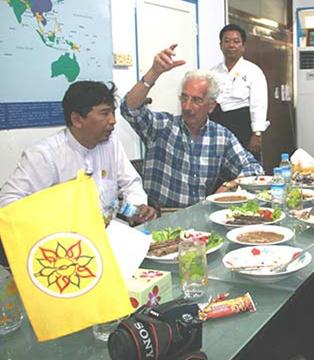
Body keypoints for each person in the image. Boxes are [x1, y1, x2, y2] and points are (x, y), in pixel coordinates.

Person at [120, 45, 264, 208]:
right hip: (160, 216)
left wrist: (228, 186)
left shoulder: (221, 137)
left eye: (197, 100)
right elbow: (129, 109)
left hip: (198, 218)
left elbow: (254, 169)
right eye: (184, 98)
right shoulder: (162, 127)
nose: (187, 107)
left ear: (211, 106)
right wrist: (154, 72)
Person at [0, 81, 157, 225]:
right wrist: (54, 214)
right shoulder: (44, 155)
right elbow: (7, 203)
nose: (113, 120)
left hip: (109, 238)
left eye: (113, 113)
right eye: (104, 113)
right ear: (77, 120)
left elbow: (130, 183)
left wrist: (137, 208)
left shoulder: (110, 143)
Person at [210, 24, 269, 159]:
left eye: (236, 41)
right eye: (227, 41)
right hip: (217, 124)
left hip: (242, 125)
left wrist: (257, 133)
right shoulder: (212, 72)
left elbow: (259, 104)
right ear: (221, 45)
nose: (231, 45)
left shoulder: (253, 71)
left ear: (243, 46)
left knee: (245, 167)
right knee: (219, 165)